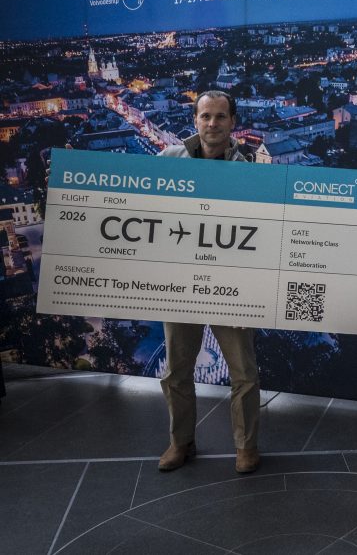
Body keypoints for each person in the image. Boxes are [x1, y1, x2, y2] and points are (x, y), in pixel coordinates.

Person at [156, 90, 262, 474]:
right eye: (205, 116)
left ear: (233, 122)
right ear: (195, 120)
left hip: (229, 284)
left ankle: (246, 447)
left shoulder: (251, 171)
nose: (212, 123)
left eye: (220, 116)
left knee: (244, 373)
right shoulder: (168, 160)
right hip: (180, 281)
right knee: (176, 371)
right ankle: (180, 443)